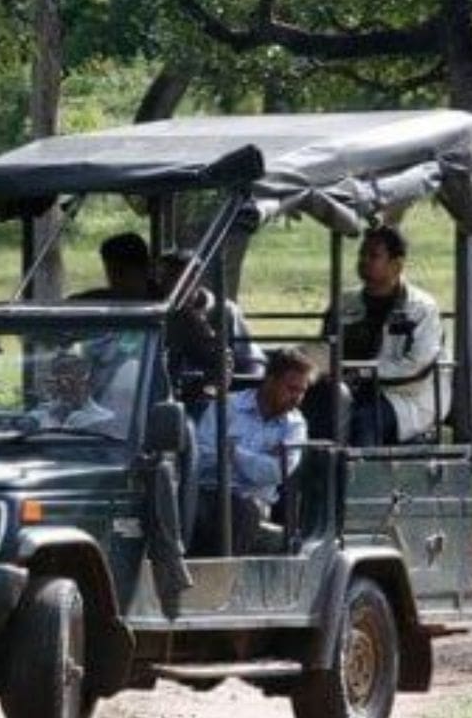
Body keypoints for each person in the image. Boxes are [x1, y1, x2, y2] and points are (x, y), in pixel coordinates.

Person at [325, 224, 445, 446]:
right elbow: (325, 347)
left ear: (397, 265)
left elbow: (417, 364)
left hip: (406, 397)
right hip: (351, 389)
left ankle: (359, 477)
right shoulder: (345, 303)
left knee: (364, 420)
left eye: (373, 255)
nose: (363, 261)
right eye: (362, 254)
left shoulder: (421, 308)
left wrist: (362, 373)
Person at [191, 349, 315, 555]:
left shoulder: (295, 425)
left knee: (242, 511)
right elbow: (202, 459)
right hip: (210, 494)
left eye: (302, 391)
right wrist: (257, 461)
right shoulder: (226, 407)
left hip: (254, 505)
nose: (297, 398)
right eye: (292, 389)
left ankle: (224, 581)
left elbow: (276, 472)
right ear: (270, 380)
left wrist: (234, 453)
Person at [159, 249, 266, 382]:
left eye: (176, 278)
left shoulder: (226, 311)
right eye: (165, 278)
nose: (169, 285)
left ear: (195, 278)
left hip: (211, 394)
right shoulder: (158, 313)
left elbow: (251, 363)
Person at [32, 350, 120, 434]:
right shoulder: (40, 414)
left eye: (71, 381)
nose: (65, 386)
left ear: (87, 383)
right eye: (58, 381)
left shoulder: (104, 419)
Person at [69, 232, 154, 301]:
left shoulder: (161, 303)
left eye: (121, 272)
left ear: (144, 269)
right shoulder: (103, 299)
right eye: (111, 272)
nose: (115, 280)